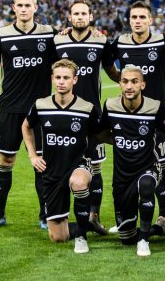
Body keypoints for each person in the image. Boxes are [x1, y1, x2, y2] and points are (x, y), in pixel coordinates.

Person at [0, 0, 57, 229]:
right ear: (13, 8)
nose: (24, 9)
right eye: (20, 5)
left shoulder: (49, 35)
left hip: (41, 111)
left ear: (36, 7)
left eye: (28, 5)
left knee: (42, 162)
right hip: (11, 108)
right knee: (5, 160)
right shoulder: (1, 35)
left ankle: (44, 216)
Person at [110, 1, 165, 237]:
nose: (137, 21)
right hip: (128, 116)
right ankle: (127, 216)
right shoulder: (120, 43)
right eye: (133, 17)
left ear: (150, 20)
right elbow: (107, 60)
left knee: (162, 165)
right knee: (127, 165)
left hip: (156, 116)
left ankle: (164, 218)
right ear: (129, 20)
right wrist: (120, 78)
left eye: (142, 17)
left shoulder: (164, 41)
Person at [54, 0, 119, 236]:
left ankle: (94, 216)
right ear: (69, 18)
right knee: (61, 165)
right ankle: (55, 215)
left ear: (91, 17)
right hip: (64, 114)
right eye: (75, 13)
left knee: (96, 167)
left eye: (84, 13)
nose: (79, 17)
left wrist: (132, 84)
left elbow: (113, 72)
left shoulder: (101, 41)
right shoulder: (58, 40)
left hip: (93, 116)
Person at [22, 59, 101, 253]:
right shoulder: (41, 105)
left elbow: (100, 133)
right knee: (58, 237)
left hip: (79, 164)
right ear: (52, 79)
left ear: (75, 80)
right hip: (52, 172)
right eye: (57, 77)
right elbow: (26, 126)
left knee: (79, 182)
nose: (61, 81)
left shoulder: (87, 107)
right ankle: (86, 225)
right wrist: (33, 156)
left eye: (66, 78)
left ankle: (81, 237)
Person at [99, 65, 165, 257]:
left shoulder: (155, 107)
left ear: (142, 85)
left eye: (134, 82)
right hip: (122, 176)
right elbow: (101, 132)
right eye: (125, 81)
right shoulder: (110, 106)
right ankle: (158, 229)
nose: (129, 86)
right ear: (119, 84)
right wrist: (118, 140)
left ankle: (144, 240)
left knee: (146, 186)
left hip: (148, 166)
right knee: (126, 238)